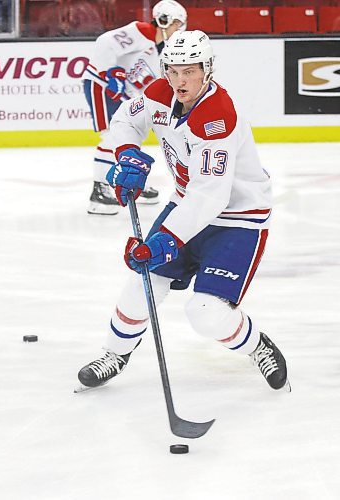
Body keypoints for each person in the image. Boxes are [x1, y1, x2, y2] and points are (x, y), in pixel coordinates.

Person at [78, 30, 290, 392]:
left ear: (207, 69)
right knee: (143, 281)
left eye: (189, 71)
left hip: (238, 219)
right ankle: (115, 353)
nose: (180, 81)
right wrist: (127, 152)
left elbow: (210, 196)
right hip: (186, 205)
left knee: (205, 313)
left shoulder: (217, 117)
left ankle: (258, 346)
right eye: (173, 71)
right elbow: (126, 120)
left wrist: (167, 239)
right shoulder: (160, 93)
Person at [83, 0, 187, 215]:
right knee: (112, 135)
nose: (178, 28)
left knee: (131, 135)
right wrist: (111, 72)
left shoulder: (160, 50)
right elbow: (105, 42)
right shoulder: (142, 31)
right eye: (176, 23)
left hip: (123, 93)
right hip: (101, 86)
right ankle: (99, 190)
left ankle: (128, 181)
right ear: (163, 19)